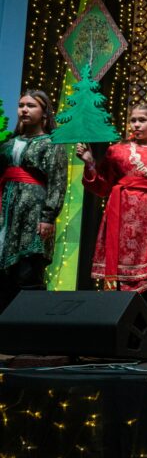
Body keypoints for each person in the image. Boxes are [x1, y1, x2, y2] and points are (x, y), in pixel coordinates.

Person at [77, 104, 147, 317]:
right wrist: (90, 163)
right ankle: (123, 325)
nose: (136, 125)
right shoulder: (117, 150)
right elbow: (103, 187)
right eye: (133, 120)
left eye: (142, 120)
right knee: (121, 271)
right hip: (120, 216)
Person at [0, 91, 67, 312]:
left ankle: (29, 321)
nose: (24, 110)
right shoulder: (8, 143)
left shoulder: (51, 144)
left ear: (44, 113)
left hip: (32, 212)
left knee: (28, 269)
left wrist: (48, 217)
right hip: (6, 210)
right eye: (21, 105)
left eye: (31, 106)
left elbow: (57, 182)